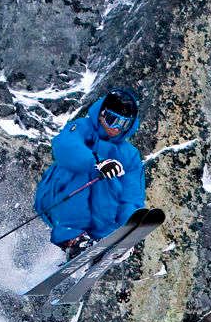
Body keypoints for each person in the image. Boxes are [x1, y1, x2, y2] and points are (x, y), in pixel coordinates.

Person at [34, 88, 147, 259]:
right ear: (101, 114)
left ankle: (104, 239)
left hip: (97, 216)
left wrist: (125, 230)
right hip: (57, 199)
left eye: (123, 124)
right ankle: (72, 237)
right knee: (88, 172)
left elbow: (131, 196)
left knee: (114, 185)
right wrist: (96, 163)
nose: (116, 128)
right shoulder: (81, 128)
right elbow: (66, 146)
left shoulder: (130, 155)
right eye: (112, 120)